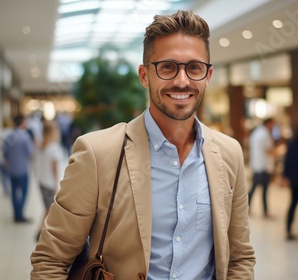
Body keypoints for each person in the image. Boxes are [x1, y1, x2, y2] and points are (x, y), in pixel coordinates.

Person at [31, 10, 256, 279]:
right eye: (167, 67)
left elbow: (240, 257)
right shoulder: (98, 154)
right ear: (145, 75)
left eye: (194, 67)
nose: (182, 80)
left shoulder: (229, 153)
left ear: (208, 76)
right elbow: (50, 260)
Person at [34, 121, 65, 240]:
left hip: (42, 182)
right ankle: (42, 232)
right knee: (50, 209)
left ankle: (41, 231)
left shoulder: (41, 146)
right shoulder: (54, 148)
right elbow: (55, 169)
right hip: (50, 183)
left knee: (48, 208)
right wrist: (57, 184)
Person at [3, 114, 35, 223]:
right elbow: (31, 153)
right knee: (24, 192)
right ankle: (20, 214)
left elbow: (5, 154)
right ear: (21, 123)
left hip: (12, 170)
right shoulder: (25, 137)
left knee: (14, 193)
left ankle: (16, 214)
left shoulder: (8, 136)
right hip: (22, 170)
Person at [248, 118, 276, 218]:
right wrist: (278, 152)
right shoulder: (264, 134)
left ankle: (247, 208)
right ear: (269, 123)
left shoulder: (256, 133)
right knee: (263, 190)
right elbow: (268, 150)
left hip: (257, 164)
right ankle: (265, 212)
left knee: (255, 188)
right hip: (263, 166)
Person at [0, 118, 13, 196]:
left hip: (0, 157)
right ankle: (10, 189)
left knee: (3, 175)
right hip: (10, 158)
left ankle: (6, 190)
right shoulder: (12, 133)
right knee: (10, 174)